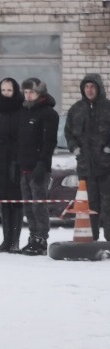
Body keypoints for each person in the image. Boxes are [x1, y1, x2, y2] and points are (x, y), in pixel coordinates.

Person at [15, 77, 59, 256]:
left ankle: (41, 238)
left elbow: (50, 142)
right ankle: (33, 237)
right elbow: (20, 140)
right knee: (28, 205)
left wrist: (42, 163)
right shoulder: (24, 112)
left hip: (39, 167)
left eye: (31, 92)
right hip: (24, 166)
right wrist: (16, 162)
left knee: (38, 205)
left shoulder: (48, 114)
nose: (28, 95)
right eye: (25, 92)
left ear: (40, 93)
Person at [65, 73, 110, 241]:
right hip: (85, 167)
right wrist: (74, 147)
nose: (89, 90)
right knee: (90, 205)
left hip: (107, 167)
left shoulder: (108, 108)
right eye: (86, 87)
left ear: (99, 88)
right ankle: (91, 238)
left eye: (92, 87)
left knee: (108, 205)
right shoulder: (76, 109)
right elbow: (68, 132)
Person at [0, 77, 25, 252]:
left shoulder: (22, 110)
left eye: (9, 90)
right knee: (4, 202)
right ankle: (5, 241)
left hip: (16, 161)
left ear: (15, 91)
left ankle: (14, 241)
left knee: (16, 202)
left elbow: (26, 136)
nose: (6, 94)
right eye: (3, 90)